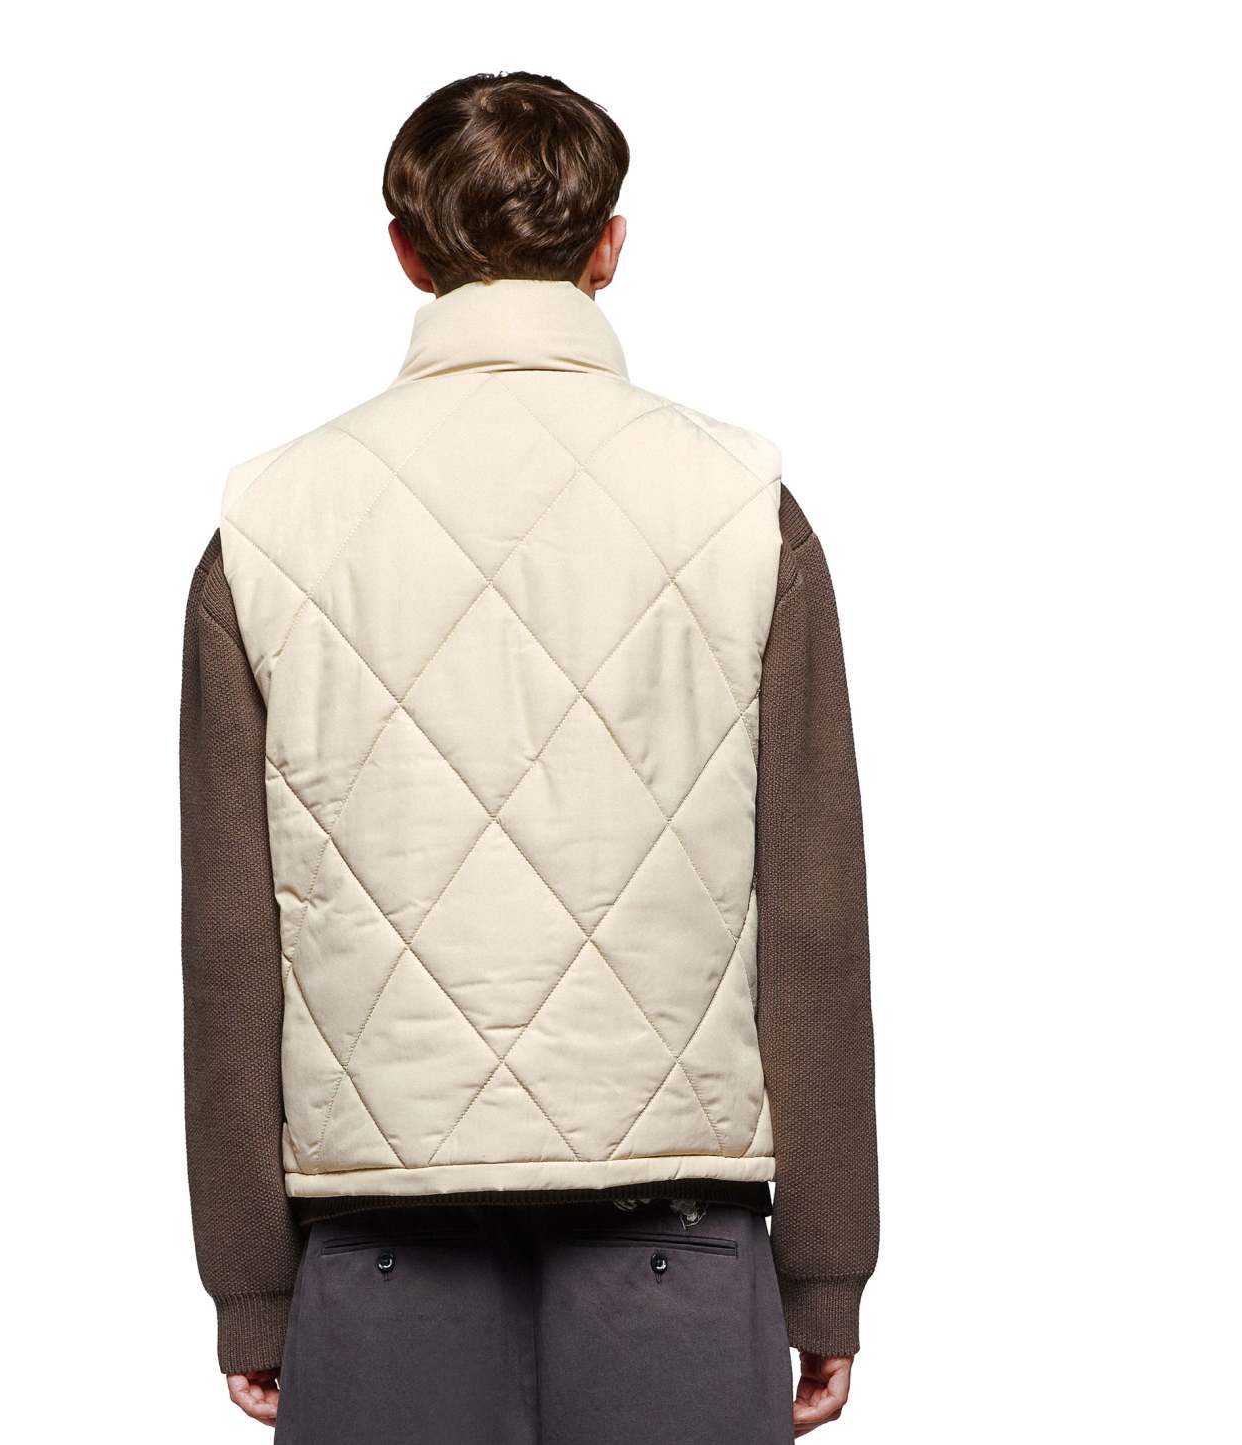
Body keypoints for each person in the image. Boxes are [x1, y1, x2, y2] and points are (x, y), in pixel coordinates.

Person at [180, 71, 878, 1443]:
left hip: (378, 1243)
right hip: (682, 1236)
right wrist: (826, 1270)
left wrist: (249, 1285)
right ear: (609, 246)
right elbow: (811, 915)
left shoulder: (266, 525)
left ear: (405, 255)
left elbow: (230, 939)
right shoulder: (742, 507)